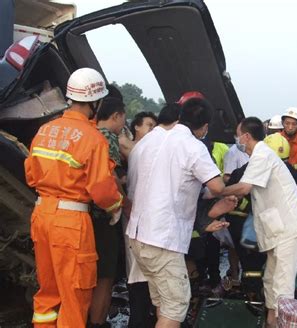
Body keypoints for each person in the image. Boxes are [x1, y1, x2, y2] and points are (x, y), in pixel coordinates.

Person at [24, 68, 123, 327]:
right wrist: (116, 207)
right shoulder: (93, 138)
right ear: (96, 102)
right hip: (71, 222)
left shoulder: (45, 130)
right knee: (75, 294)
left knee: (48, 292)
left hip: (41, 216)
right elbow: (102, 189)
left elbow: (32, 176)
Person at [126, 98, 231, 327]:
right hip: (162, 239)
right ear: (204, 127)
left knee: (163, 301)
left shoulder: (151, 140)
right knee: (175, 306)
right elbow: (216, 186)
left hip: (138, 235)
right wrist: (235, 190)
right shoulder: (193, 146)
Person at [220, 117, 297, 327]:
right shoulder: (258, 156)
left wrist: (217, 191)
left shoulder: (262, 154)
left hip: (288, 230)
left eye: (237, 135)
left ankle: (281, 322)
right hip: (278, 230)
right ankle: (271, 321)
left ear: (246, 136)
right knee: (270, 280)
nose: (236, 139)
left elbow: (244, 188)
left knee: (282, 285)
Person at [89, 97, 127, 327]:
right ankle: (98, 321)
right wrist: (124, 201)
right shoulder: (108, 138)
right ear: (116, 116)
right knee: (105, 274)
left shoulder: (85, 133)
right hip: (104, 216)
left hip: (80, 215)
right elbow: (109, 177)